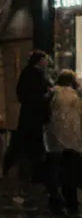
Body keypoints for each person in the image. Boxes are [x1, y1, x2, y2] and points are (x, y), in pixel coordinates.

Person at [45, 71, 82, 216]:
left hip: (54, 138)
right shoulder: (76, 97)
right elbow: (81, 120)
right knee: (69, 172)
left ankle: (55, 198)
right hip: (72, 140)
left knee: (54, 170)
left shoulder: (53, 94)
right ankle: (70, 201)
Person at [6, 50, 51, 181]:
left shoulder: (30, 73)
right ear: (39, 61)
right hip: (33, 116)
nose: (47, 62)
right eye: (45, 60)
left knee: (24, 142)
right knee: (30, 143)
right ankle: (32, 173)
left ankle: (19, 169)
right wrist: (45, 96)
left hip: (30, 115)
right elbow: (32, 94)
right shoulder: (34, 74)